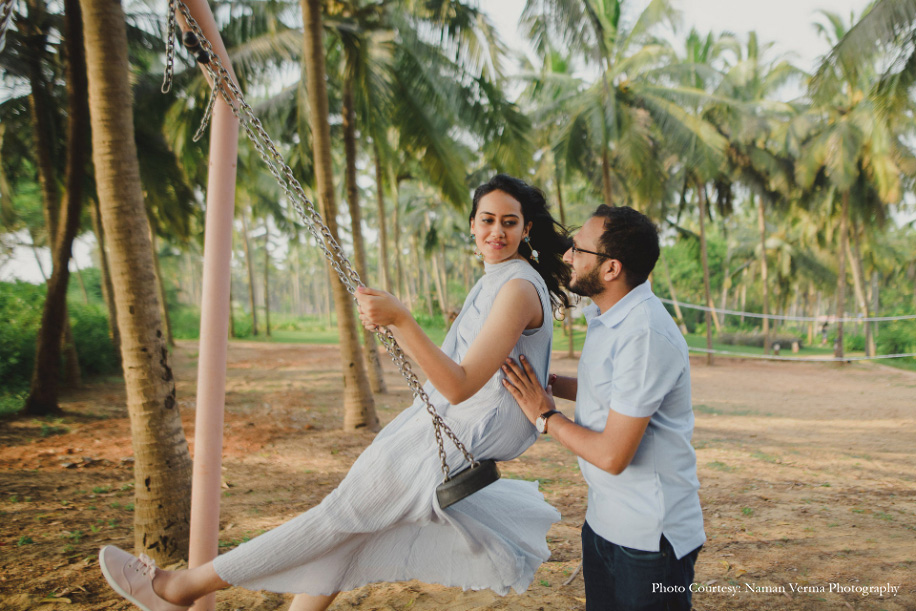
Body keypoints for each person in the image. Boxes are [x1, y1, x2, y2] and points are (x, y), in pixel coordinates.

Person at [98, 174, 571, 611]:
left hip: (459, 428)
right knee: (346, 539)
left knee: (331, 523)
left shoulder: (516, 288)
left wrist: (402, 320)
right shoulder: (502, 281)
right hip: (451, 427)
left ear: (526, 228)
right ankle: (180, 589)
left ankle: (177, 588)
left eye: (509, 222)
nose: (497, 231)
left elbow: (460, 384)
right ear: (471, 225)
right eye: (487, 220)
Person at [503, 205, 705, 611]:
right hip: (605, 521)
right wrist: (552, 386)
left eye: (578, 249)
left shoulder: (644, 333)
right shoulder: (611, 316)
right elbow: (614, 393)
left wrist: (545, 416)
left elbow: (613, 455)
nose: (567, 256)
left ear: (611, 269)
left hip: (650, 539)